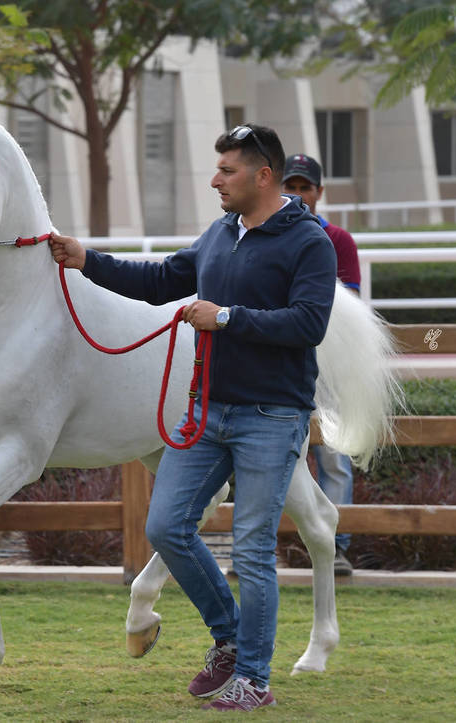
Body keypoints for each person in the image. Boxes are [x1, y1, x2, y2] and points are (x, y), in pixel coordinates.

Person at [50, 124, 336, 712]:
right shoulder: (221, 232)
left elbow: (309, 325)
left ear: (263, 176)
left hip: (272, 417)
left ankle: (254, 679)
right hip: (206, 413)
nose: (215, 180)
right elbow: (162, 280)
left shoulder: (310, 242)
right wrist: (86, 260)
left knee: (253, 549)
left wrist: (227, 318)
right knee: (166, 526)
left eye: (227, 171)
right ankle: (230, 637)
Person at [282, 153, 360, 577]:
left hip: (327, 367)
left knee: (332, 457)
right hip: (282, 363)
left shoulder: (338, 240)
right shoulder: (263, 235)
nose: (296, 196)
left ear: (318, 192)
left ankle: (337, 546)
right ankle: (266, 547)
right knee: (272, 453)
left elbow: (346, 310)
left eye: (304, 188)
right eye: (289, 187)